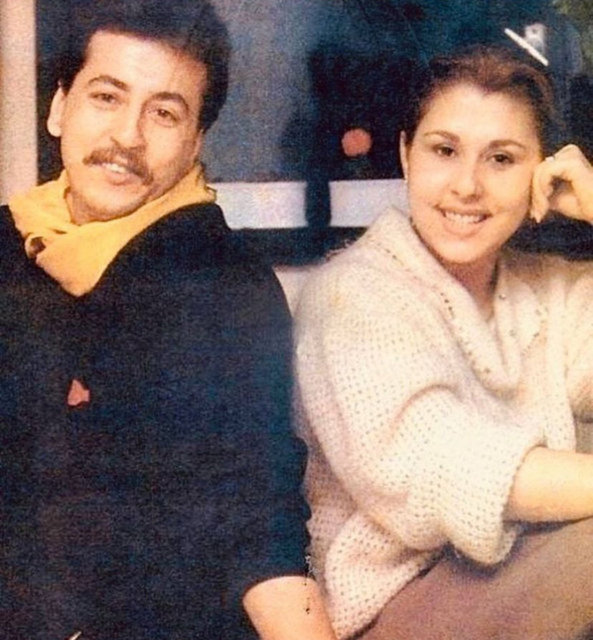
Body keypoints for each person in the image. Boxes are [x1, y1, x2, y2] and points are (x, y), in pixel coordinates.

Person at [0, 2, 337, 639]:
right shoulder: (8, 246)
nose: (128, 136)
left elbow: (258, 519)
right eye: (107, 96)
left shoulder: (228, 288)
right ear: (59, 108)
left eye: (164, 112)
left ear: (195, 142)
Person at [294, 46, 593, 640]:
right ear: (406, 155)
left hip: (525, 576)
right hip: (395, 605)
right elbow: (447, 468)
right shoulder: (351, 293)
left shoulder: (548, 289)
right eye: (444, 151)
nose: (467, 186)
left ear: (540, 172)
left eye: (501, 159)